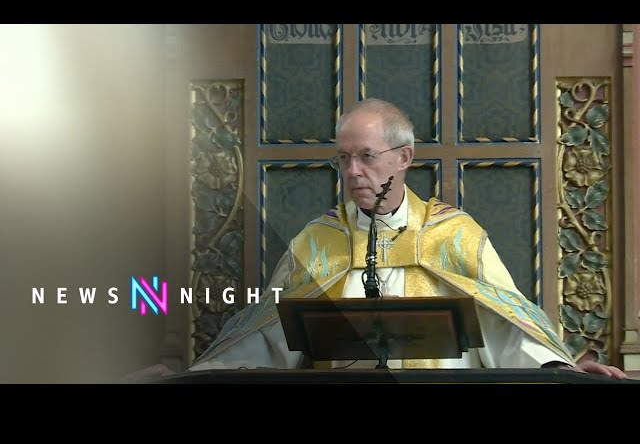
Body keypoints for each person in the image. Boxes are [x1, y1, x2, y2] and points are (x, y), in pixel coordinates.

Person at [137, 98, 627, 380]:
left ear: (404, 157)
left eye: (366, 156)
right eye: (343, 158)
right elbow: (264, 340)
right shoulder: (317, 242)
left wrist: (561, 369)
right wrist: (190, 379)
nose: (352, 171)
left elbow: (506, 328)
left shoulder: (454, 235)